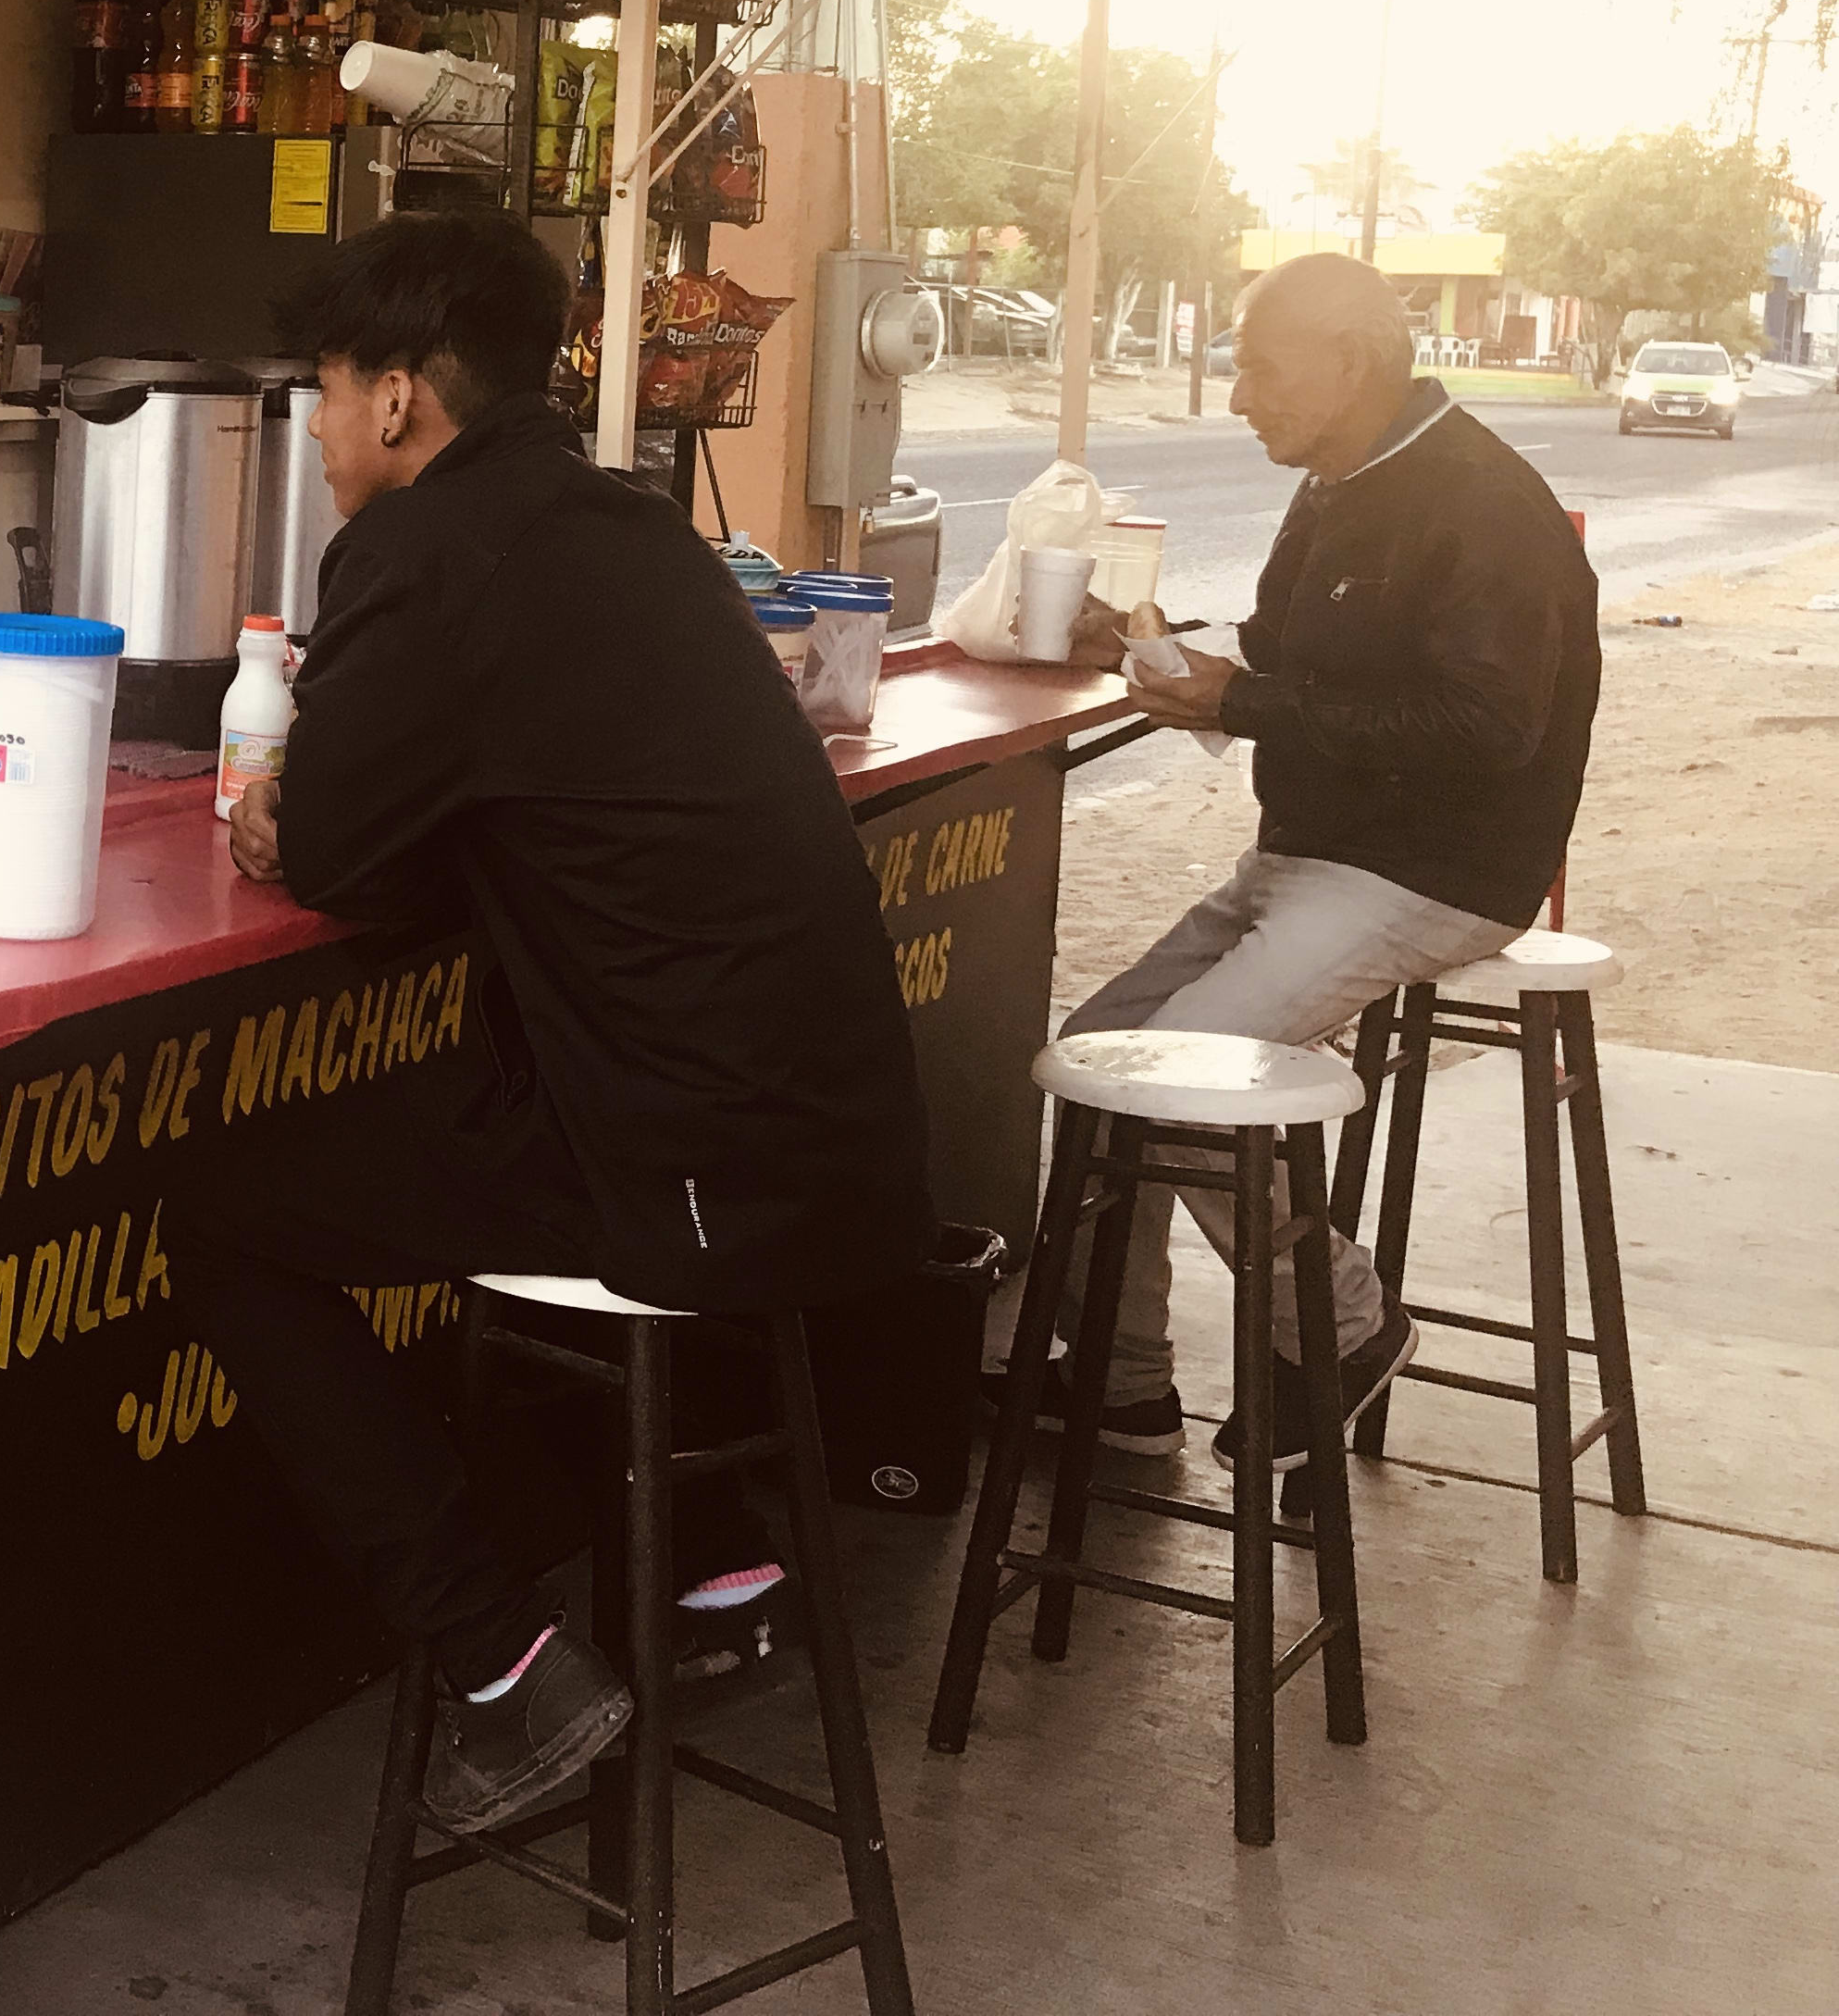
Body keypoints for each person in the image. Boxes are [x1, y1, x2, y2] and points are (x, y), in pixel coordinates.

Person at [195, 210, 931, 1836]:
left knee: (233, 1218)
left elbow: (329, 852)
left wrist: (282, 820)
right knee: (482, 1115)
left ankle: (503, 1668)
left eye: (323, 392)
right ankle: (724, 1559)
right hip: (834, 1136)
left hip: (690, 1167)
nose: (318, 431)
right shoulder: (627, 523)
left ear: (397, 400)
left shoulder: (423, 550)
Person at [1036, 248, 1599, 1471]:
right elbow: (1282, 643)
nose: (1239, 397)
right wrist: (1149, 647)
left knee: (1184, 1088)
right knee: (1095, 1061)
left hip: (1430, 872)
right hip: (1310, 852)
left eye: (1258, 368)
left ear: (1349, 364)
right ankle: (1124, 1384)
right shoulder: (1340, 478)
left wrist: (1244, 708)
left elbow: (1487, 729)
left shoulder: (1484, 503)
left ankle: (1342, 1326)